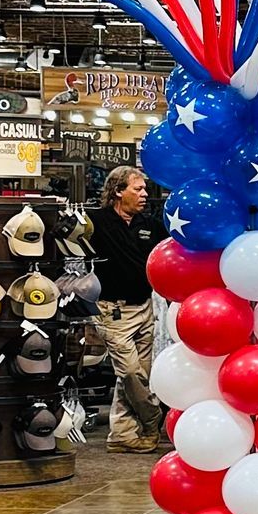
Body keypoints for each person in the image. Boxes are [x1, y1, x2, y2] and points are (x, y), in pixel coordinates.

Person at [90, 165, 165, 452]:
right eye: (138, 188)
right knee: (132, 372)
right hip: (112, 311)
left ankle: (122, 435)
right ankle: (152, 418)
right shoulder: (95, 221)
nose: (145, 194)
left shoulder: (150, 225)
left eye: (145, 188)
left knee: (135, 377)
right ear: (118, 191)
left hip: (145, 308)